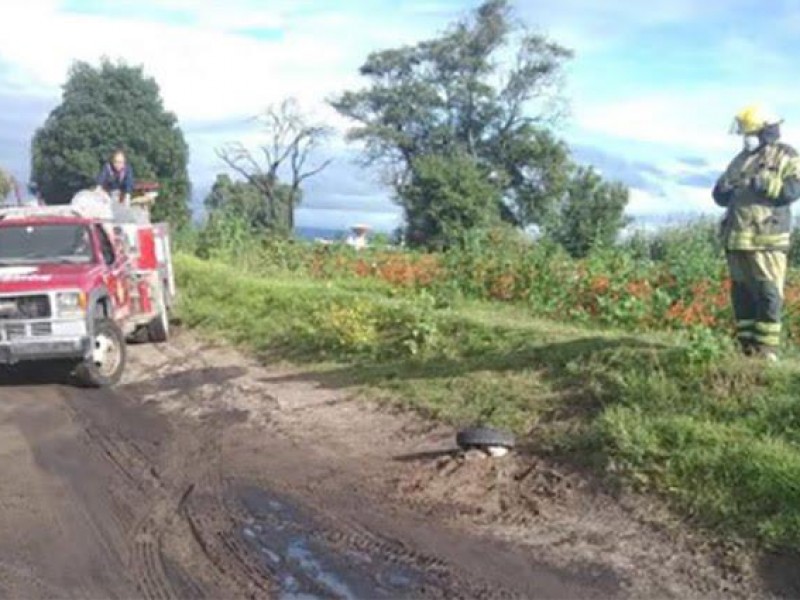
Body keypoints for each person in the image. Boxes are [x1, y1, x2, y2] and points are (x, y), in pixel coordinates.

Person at [712, 105, 800, 361]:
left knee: (768, 293)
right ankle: (747, 348)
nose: (744, 138)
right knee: (741, 294)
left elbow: (792, 191)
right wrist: (721, 191)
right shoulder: (740, 159)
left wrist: (764, 184)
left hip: (767, 240)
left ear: (764, 132)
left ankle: (767, 351)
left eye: (748, 133)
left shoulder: (786, 155)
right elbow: (720, 196)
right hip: (737, 240)